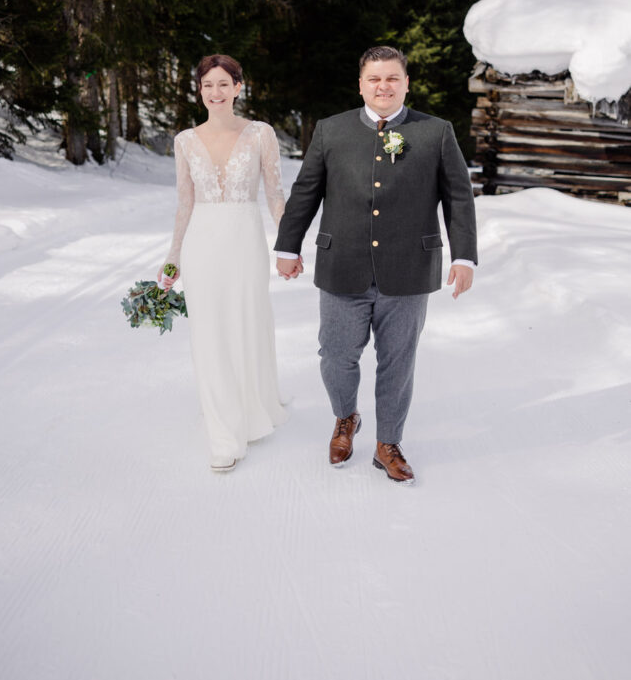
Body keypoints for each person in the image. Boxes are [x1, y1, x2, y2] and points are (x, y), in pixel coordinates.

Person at [275, 46, 477, 484]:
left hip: (410, 268)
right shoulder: (331, 130)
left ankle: (388, 443)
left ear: (406, 83)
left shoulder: (436, 132)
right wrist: (288, 246)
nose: (383, 86)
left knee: (398, 362)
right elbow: (306, 191)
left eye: (391, 78)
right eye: (374, 79)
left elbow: (459, 197)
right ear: (361, 85)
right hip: (341, 265)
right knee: (336, 357)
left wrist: (463, 256)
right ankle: (345, 417)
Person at [160, 54, 288, 472]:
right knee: (208, 334)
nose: (215, 92)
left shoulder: (260, 134)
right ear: (199, 91)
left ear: (238, 88)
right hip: (201, 244)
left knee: (246, 323)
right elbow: (185, 203)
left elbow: (274, 194)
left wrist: (288, 244)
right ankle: (223, 434)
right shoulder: (185, 140)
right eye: (207, 85)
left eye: (223, 84)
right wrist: (173, 257)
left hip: (245, 241)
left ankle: (254, 406)